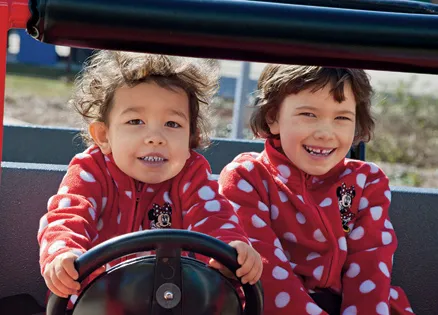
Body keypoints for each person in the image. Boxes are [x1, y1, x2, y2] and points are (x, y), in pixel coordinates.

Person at [37, 50, 262, 307]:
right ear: (103, 135)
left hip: (178, 303)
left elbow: (215, 217)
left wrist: (234, 250)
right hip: (97, 303)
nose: (155, 136)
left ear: (191, 137)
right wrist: (64, 254)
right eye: (136, 121)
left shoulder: (191, 175)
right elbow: (68, 216)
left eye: (172, 124)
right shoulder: (92, 171)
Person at [219, 65, 414, 314]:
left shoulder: (367, 182)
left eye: (342, 118)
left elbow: (371, 269)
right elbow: (266, 274)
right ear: (273, 117)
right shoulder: (247, 178)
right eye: (309, 115)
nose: (325, 133)